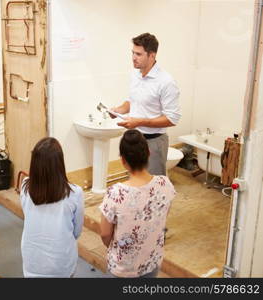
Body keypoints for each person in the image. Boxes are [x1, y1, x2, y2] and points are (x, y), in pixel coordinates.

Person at [99, 130, 175, 278]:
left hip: (122, 268)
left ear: (122, 160)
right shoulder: (165, 184)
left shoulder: (115, 193)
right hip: (151, 262)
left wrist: (115, 250)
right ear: (148, 153)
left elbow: (105, 233)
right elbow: (163, 216)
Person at [111, 33, 181, 175]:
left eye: (138, 54)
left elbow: (172, 119)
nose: (133, 57)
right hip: (134, 139)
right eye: (132, 53)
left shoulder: (166, 82)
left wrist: (139, 122)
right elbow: (132, 101)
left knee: (153, 187)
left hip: (154, 142)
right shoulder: (135, 74)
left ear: (152, 56)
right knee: (136, 183)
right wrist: (118, 110)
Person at [20, 137, 84, 277]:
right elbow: (76, 231)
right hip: (61, 263)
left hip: (32, 260)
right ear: (60, 163)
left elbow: (27, 215)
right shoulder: (74, 193)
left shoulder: (25, 187)